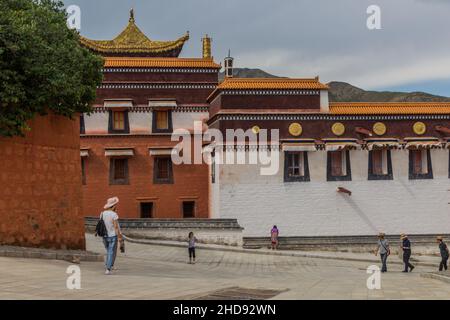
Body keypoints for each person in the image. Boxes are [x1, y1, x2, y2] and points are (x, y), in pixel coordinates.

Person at [101, 197, 123, 275]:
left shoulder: (102, 214)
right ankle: (108, 269)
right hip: (112, 236)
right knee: (111, 252)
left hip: (104, 235)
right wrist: (120, 237)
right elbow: (116, 227)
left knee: (108, 251)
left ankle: (109, 265)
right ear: (113, 206)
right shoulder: (114, 215)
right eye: (115, 205)